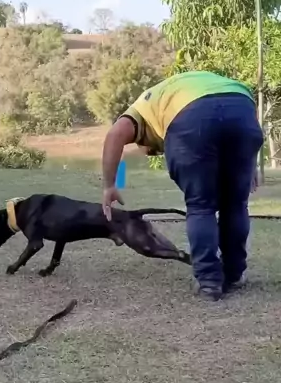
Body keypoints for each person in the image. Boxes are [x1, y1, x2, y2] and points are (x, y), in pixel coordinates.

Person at [101, 70, 264, 301]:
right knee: (236, 204)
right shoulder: (167, 95)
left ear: (142, 134)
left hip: (193, 117)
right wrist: (249, 162)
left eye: (155, 149)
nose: (158, 150)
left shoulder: (141, 109)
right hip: (241, 104)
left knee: (201, 205)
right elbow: (238, 120)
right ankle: (234, 274)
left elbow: (116, 134)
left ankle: (209, 283)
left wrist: (109, 185)